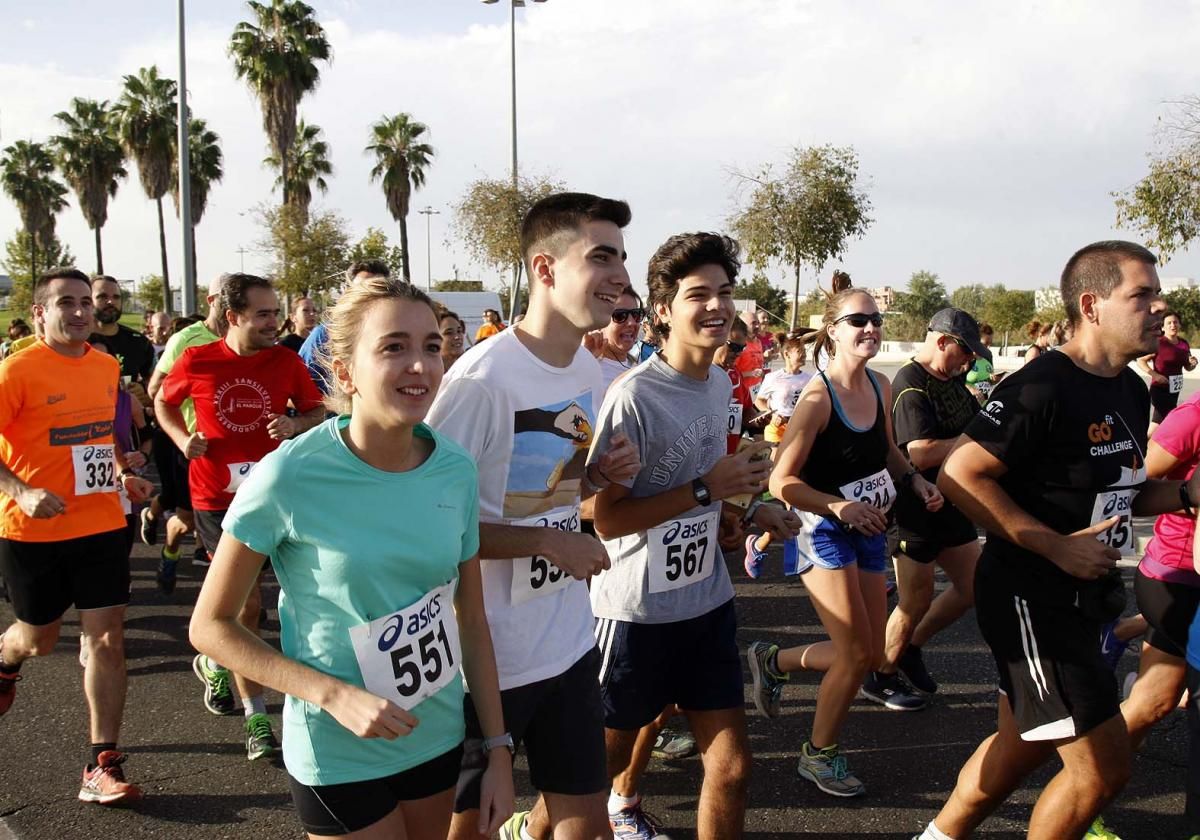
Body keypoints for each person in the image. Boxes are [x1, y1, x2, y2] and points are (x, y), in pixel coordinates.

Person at [189, 277, 515, 839]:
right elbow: (210, 627)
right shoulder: (290, 474)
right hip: (339, 748)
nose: (420, 365)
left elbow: (472, 622)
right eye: (394, 347)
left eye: (432, 347)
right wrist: (331, 695)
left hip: (433, 734)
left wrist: (498, 750)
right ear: (344, 372)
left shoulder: (455, 468)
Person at [914, 241, 1200, 840]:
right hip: (1031, 599)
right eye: (1142, 294)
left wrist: (1189, 496)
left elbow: (1125, 489)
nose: (1159, 306)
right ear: (1092, 305)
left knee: (1019, 748)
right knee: (1102, 772)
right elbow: (959, 473)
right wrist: (1053, 545)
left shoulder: (1126, 386)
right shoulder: (1040, 384)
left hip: (1084, 600)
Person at [427, 192, 640, 840]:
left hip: (568, 644)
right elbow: (431, 527)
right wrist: (549, 543)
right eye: (601, 257)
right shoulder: (480, 382)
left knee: (587, 829)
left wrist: (591, 478)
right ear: (545, 270)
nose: (622, 278)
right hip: (480, 664)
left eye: (622, 259)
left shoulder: (586, 367)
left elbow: (540, 489)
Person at [588, 232, 800, 838]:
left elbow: (706, 491)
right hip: (634, 614)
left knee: (732, 770)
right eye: (698, 295)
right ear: (662, 310)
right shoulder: (632, 398)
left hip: (706, 604)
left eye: (725, 293)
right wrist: (708, 491)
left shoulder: (719, 384)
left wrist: (746, 513)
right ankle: (538, 827)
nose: (717, 307)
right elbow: (609, 518)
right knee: (595, 772)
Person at [747, 287, 943, 797]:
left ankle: (775, 661)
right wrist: (837, 506)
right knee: (855, 654)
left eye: (876, 319)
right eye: (858, 320)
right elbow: (780, 481)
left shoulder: (879, 386)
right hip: (822, 528)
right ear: (832, 330)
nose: (871, 328)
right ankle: (819, 755)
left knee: (872, 651)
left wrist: (913, 481)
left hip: (868, 524)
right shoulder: (817, 398)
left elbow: (887, 452)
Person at [0, 267, 154, 804]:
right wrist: (20, 492)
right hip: (33, 529)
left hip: (102, 523)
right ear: (40, 312)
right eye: (66, 302)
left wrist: (122, 473)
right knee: (37, 640)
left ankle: (101, 763)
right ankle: (6, 659)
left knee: (108, 639)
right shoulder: (17, 371)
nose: (81, 311)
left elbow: (98, 437)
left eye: (86, 301)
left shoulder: (105, 366)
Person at [156, 272, 325, 760]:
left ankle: (217, 660)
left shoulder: (286, 361)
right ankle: (256, 720)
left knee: (303, 595)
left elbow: (318, 411)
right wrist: (180, 439)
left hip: (278, 494)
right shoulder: (198, 359)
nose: (275, 322)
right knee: (244, 608)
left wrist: (295, 422)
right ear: (233, 317)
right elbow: (164, 402)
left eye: (277, 313)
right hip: (217, 498)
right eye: (264, 314)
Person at [861, 308, 989, 712]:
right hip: (914, 507)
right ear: (942, 342)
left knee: (972, 587)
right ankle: (879, 677)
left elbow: (976, 425)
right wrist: (974, 446)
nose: (968, 361)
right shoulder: (909, 383)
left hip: (953, 504)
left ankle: (911, 647)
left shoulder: (952, 381)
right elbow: (919, 450)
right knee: (913, 600)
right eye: (965, 352)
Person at [142, 274, 229, 586]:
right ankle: (170, 551)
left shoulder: (246, 338)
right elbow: (156, 389)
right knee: (187, 518)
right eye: (226, 296)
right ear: (211, 300)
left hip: (230, 446)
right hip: (190, 443)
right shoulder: (187, 339)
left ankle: (240, 598)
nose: (234, 303)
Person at [744, 328, 814, 578]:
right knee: (791, 496)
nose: (803, 356)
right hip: (777, 432)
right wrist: (772, 411)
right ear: (786, 354)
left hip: (801, 432)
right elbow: (759, 401)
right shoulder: (774, 378)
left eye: (804, 352)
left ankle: (758, 544)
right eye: (799, 352)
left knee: (793, 497)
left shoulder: (810, 378)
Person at [300, 260, 390, 392]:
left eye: (379, 290)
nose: (370, 296)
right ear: (348, 293)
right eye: (362, 289)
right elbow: (296, 392)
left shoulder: (400, 337)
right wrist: (339, 409)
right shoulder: (323, 335)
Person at [88, 275, 156, 389]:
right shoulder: (76, 341)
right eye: (102, 297)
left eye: (116, 297)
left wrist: (143, 389)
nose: (111, 302)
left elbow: (156, 381)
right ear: (88, 301)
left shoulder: (139, 342)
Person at [1138, 311, 1197, 434]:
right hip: (1159, 389)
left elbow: (1187, 367)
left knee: (1165, 422)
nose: (1172, 325)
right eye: (1169, 323)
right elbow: (1141, 361)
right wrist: (1156, 375)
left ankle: (1152, 446)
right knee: (1159, 422)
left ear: (1179, 325)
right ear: (1163, 327)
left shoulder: (1184, 344)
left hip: (1174, 391)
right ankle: (1143, 445)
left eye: (1175, 322)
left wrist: (1192, 364)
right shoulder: (1159, 342)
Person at [595, 288, 644, 395]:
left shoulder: (639, 366)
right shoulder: (591, 371)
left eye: (636, 315)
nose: (631, 323)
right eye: (620, 315)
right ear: (599, 322)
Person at [964, 322, 996, 402]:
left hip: (983, 400)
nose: (987, 347)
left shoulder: (988, 354)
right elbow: (956, 380)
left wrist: (993, 379)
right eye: (985, 344)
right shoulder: (965, 355)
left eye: (990, 343)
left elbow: (989, 376)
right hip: (967, 400)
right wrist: (971, 389)